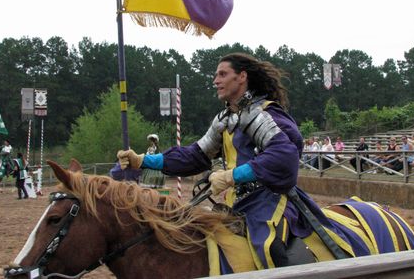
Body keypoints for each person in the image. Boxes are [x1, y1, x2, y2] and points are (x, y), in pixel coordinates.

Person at [117, 53, 349, 268]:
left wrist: (231, 176)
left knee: (268, 248)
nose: (216, 80)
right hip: (234, 205)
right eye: (216, 75)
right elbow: (195, 155)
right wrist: (144, 161)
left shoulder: (265, 114)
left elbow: (284, 157)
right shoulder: (225, 120)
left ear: (242, 77)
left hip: (269, 201)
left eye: (223, 74)